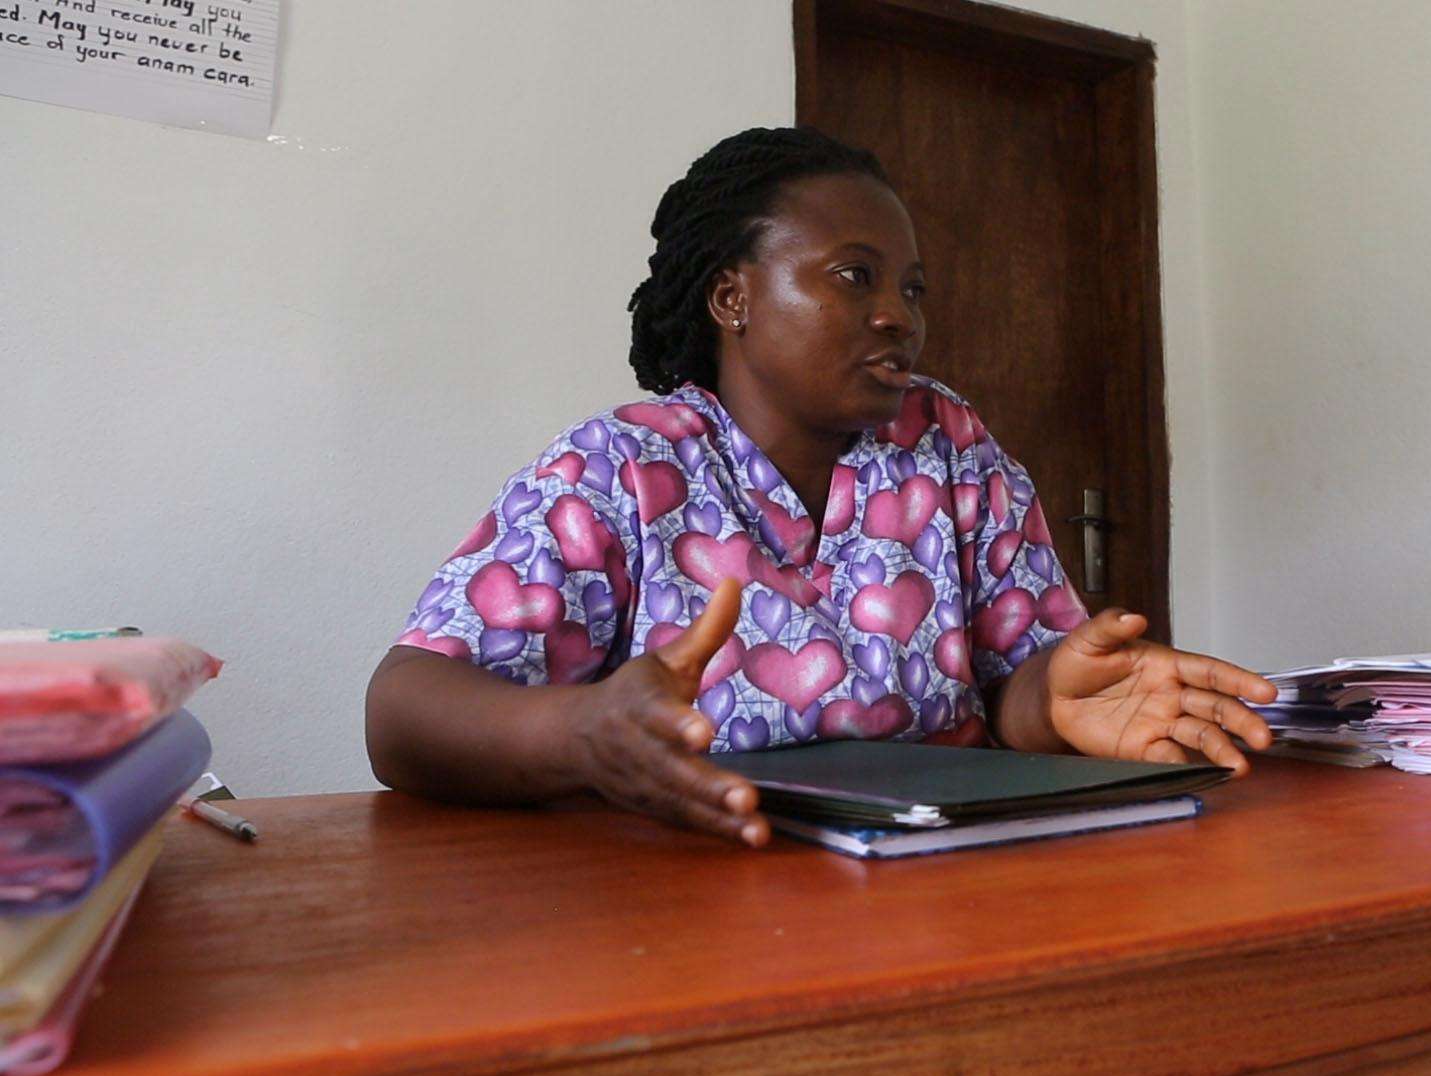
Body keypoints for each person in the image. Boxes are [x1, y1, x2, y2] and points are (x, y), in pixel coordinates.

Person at [364, 127, 1276, 847]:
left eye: (913, 290)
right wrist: (585, 734)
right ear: (733, 300)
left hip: (945, 889)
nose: (899, 316)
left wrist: (1054, 702)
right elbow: (404, 711)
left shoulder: (948, 444)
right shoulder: (620, 470)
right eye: (855, 276)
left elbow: (1013, 693)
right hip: (683, 907)